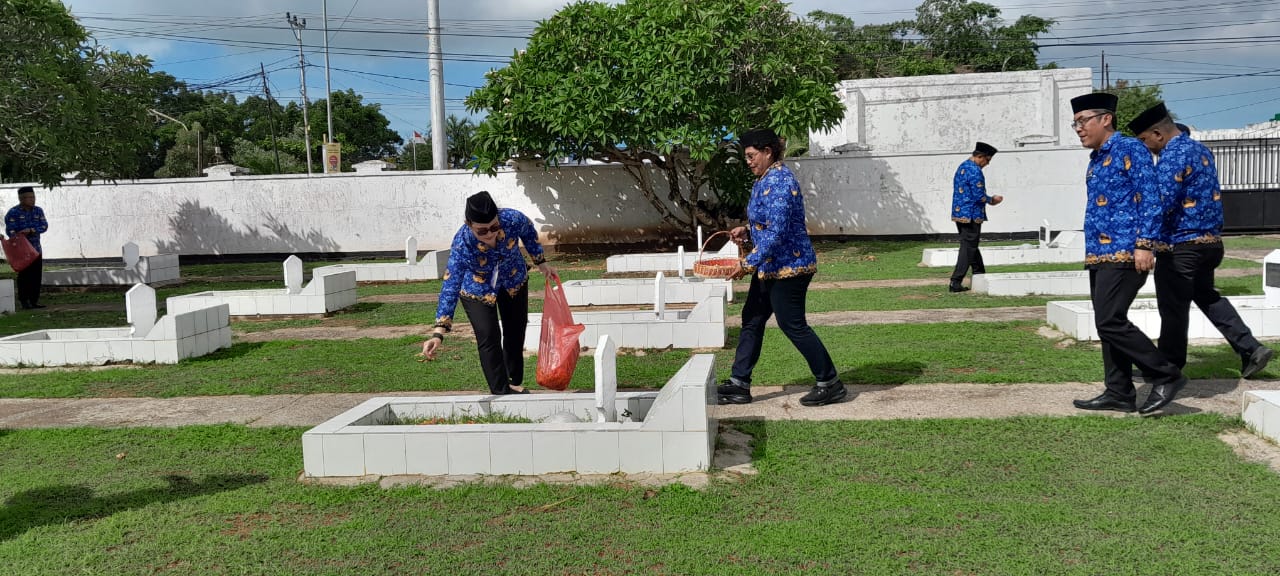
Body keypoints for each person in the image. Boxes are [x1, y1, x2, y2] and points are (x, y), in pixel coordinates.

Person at [1128, 102, 1273, 378]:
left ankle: (1167, 368)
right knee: (1207, 297)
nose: (1146, 146)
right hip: (1210, 244)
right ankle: (1250, 348)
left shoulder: (1172, 156)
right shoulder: (1200, 149)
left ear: (1158, 134)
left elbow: (1160, 203)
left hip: (1181, 245)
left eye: (1145, 139)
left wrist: (1142, 239)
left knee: (1173, 308)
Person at [1068, 92, 1188, 415]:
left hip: (1125, 253)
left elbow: (1150, 198)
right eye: (1075, 123)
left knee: (1109, 321)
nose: (1078, 128)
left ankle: (1166, 373)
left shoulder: (1129, 148)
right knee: (1107, 322)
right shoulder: (1096, 159)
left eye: (1083, 121)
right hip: (1099, 254)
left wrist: (1144, 244)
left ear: (1105, 119)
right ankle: (1118, 391)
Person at [716, 128, 845, 407]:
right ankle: (739, 384)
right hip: (770, 266)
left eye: (751, 156)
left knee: (792, 324)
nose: (748, 161)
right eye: (746, 157)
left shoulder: (781, 181)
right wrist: (747, 231)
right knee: (751, 318)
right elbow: (766, 225)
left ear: (767, 152)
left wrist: (747, 262)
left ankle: (830, 382)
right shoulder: (764, 180)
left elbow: (777, 233)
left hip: (792, 267)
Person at [420, 191, 557, 395]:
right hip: (478, 289)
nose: (490, 234)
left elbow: (529, 233)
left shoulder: (512, 219)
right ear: (469, 224)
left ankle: (512, 379)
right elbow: (451, 284)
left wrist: (541, 261)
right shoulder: (462, 243)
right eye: (482, 231)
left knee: (515, 330)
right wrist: (439, 332)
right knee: (488, 334)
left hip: (513, 280)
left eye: (494, 227)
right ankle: (501, 389)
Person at [948, 142, 1004, 292]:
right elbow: (979, 196)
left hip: (960, 213)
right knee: (968, 247)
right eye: (987, 160)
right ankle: (956, 280)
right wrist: (993, 200)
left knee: (971, 246)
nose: (987, 164)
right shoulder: (975, 171)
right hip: (972, 214)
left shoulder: (963, 166)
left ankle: (979, 273)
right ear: (980, 157)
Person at [5, 187, 48, 310]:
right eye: (29, 197)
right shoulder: (13, 212)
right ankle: (24, 301)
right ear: (21, 199)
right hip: (22, 251)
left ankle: (34, 301)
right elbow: (10, 231)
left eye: (33, 197)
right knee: (25, 276)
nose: (32, 200)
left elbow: (44, 226)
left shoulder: (38, 211)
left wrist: (32, 230)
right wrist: (20, 234)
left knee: (36, 276)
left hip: (36, 249)